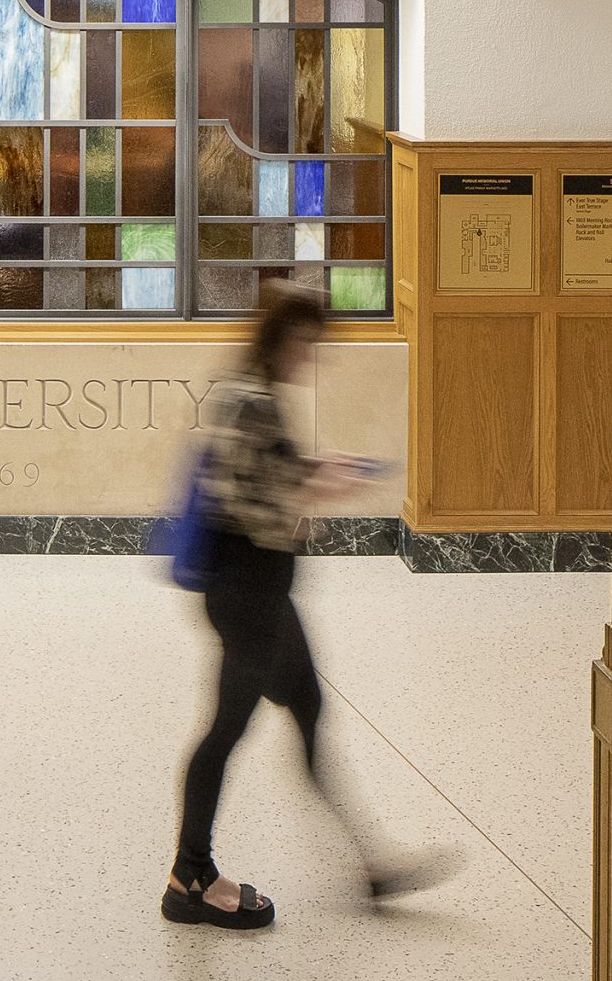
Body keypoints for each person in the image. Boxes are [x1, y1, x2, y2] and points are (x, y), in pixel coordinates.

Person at [163, 282, 453, 929]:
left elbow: (264, 473)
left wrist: (316, 470)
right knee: (225, 730)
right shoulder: (255, 402)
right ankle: (190, 876)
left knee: (308, 712)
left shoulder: (248, 391)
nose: (312, 356)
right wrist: (327, 482)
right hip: (248, 593)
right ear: (286, 338)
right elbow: (264, 501)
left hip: (259, 592)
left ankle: (372, 864)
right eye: (308, 343)